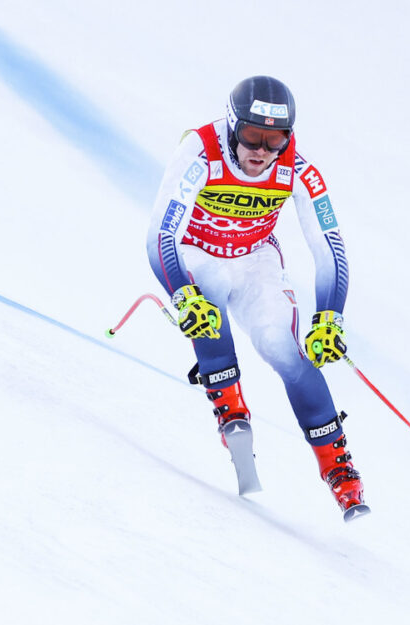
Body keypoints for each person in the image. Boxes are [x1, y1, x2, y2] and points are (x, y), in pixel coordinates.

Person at [146, 76, 366, 518]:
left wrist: (330, 317)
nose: (261, 151)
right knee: (206, 292)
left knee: (282, 348)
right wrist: (183, 296)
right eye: (251, 136)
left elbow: (331, 251)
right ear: (232, 127)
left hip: (254, 259)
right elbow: (161, 235)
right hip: (196, 250)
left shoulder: (298, 170)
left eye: (275, 139)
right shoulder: (199, 152)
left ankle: (338, 467)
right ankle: (228, 401)